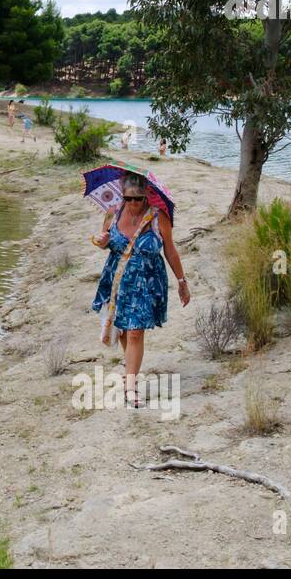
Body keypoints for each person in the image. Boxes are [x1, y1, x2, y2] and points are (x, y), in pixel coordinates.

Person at [89, 174, 191, 407]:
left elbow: (171, 251)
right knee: (124, 330)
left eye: (138, 199)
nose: (133, 203)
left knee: (135, 332)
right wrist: (102, 241)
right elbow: (105, 242)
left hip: (146, 282)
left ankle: (130, 387)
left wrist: (182, 282)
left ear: (147, 195)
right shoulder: (113, 213)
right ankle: (130, 370)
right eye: (128, 198)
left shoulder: (158, 217)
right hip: (117, 280)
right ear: (121, 194)